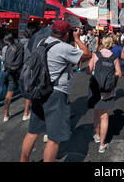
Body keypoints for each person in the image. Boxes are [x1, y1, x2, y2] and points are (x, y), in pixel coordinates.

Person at [20, 21, 91, 162]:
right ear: (65, 34)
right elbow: (87, 54)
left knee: (33, 132)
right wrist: (77, 39)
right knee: (54, 138)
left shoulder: (42, 42)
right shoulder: (63, 48)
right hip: (55, 94)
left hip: (39, 91)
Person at [86, 36, 122, 153]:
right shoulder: (114, 57)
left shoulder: (96, 55)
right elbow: (119, 74)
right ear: (112, 44)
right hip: (108, 91)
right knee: (104, 117)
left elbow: (88, 71)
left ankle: (97, 135)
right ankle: (102, 145)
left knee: (96, 113)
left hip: (96, 90)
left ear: (102, 43)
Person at [2, 34, 29, 122]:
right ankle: (25, 113)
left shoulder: (6, 48)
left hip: (11, 72)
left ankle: (5, 114)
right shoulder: (22, 46)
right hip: (20, 72)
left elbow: (5, 61)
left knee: (9, 92)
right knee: (26, 92)